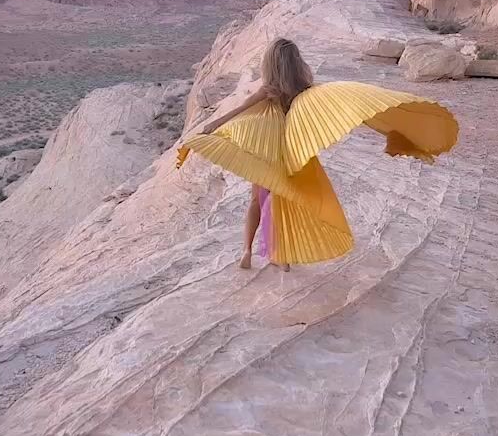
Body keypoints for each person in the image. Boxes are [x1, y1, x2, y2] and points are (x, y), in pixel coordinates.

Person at [177, 38, 459, 270]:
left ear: (270, 64)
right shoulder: (305, 87)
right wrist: (387, 128)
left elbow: (242, 109)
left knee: (257, 200)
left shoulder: (268, 89)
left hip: (267, 149)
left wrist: (213, 126)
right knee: (283, 201)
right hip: (295, 151)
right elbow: (344, 108)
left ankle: (247, 251)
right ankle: (281, 256)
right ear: (295, 62)